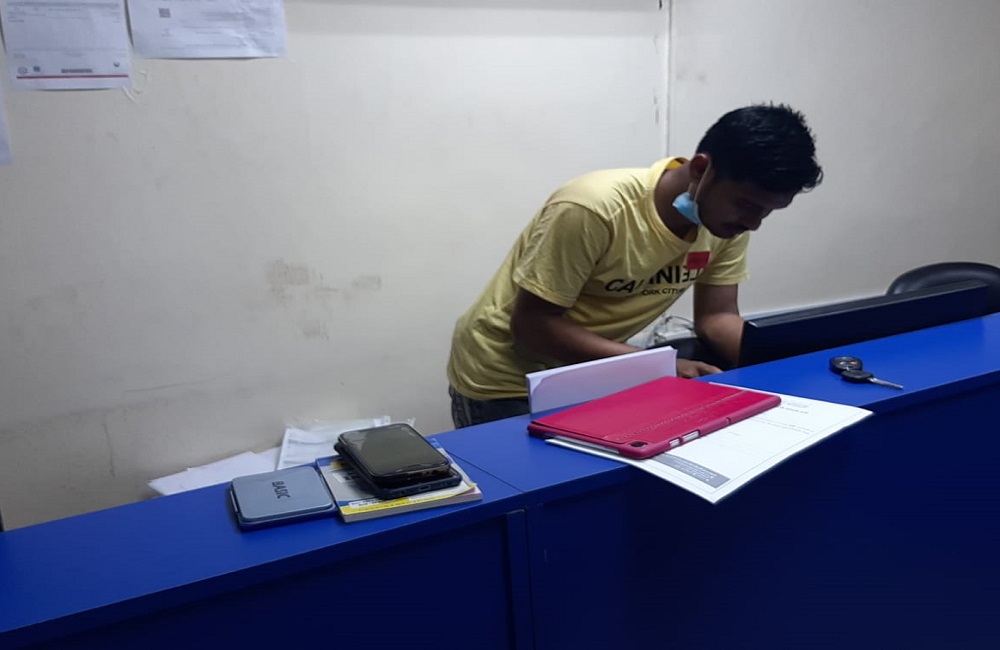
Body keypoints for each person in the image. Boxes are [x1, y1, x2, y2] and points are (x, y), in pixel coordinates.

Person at [447, 103, 823, 428]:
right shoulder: (594, 208)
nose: (754, 223)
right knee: (532, 487)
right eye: (747, 206)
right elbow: (533, 325)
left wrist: (789, 371)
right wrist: (656, 366)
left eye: (767, 212)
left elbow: (717, 317)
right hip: (507, 379)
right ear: (700, 169)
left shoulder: (724, 222)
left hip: (591, 369)